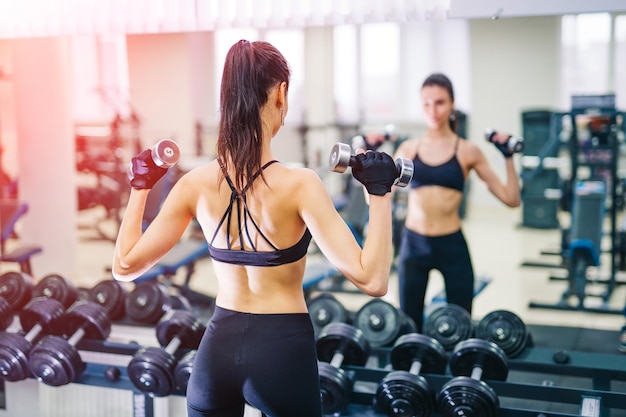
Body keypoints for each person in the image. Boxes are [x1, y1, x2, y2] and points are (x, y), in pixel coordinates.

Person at [111, 39, 400, 417]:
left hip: (216, 354)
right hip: (282, 353)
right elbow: (373, 280)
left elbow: (125, 267)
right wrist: (380, 192)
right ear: (280, 93)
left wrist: (140, 187)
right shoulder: (301, 185)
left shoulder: (195, 184)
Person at [368, 72, 521, 332]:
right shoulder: (409, 149)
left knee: (459, 326)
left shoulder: (467, 150)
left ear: (452, 105)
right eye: (426, 103)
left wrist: (508, 157)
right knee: (409, 325)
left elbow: (511, 199)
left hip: (452, 246)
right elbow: (378, 198)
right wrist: (365, 158)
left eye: (440, 102)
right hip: (414, 246)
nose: (433, 110)